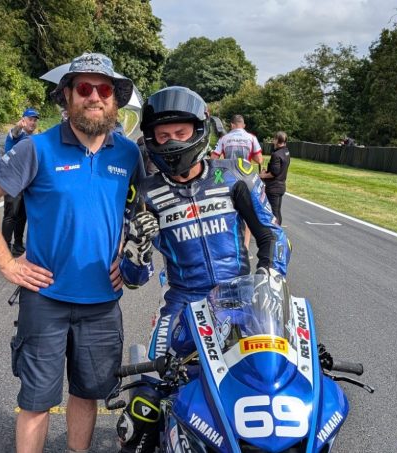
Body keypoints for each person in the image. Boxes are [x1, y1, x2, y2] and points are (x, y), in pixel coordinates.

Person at [0, 52, 142, 453]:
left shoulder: (128, 154)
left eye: (104, 89)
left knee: (88, 393)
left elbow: (146, 209)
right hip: (45, 300)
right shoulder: (37, 148)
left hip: (102, 301)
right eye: (84, 88)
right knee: (37, 401)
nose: (94, 96)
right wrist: (7, 263)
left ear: (114, 99)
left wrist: (132, 261)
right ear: (66, 96)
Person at [114, 86, 290, 453]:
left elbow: (273, 236)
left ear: (199, 130)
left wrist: (269, 278)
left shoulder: (235, 176)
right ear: (150, 139)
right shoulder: (145, 192)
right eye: (163, 136)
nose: (172, 142)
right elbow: (134, 279)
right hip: (182, 304)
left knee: (269, 383)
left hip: (242, 298)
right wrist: (137, 248)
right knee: (146, 402)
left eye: (180, 133)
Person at [210, 114, 263, 249]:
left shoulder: (224, 138)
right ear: (243, 125)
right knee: (248, 211)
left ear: (232, 125)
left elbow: (213, 157)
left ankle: (230, 244)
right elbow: (259, 159)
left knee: (229, 209)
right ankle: (245, 247)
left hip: (229, 176)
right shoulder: (251, 138)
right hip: (246, 176)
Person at [2, 107, 40, 256]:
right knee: (11, 213)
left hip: (27, 181)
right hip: (13, 179)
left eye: (35, 120)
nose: (33, 122)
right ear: (23, 120)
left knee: (23, 214)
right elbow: (15, 132)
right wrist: (19, 125)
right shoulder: (16, 135)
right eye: (30, 119)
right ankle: (5, 246)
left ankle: (18, 244)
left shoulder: (34, 139)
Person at [260, 131, 291, 225]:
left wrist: (262, 175)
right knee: (277, 211)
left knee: (273, 212)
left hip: (274, 187)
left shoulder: (276, 154)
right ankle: (277, 233)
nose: (273, 142)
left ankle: (276, 234)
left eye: (274, 139)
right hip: (281, 185)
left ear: (277, 140)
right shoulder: (286, 152)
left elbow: (274, 173)